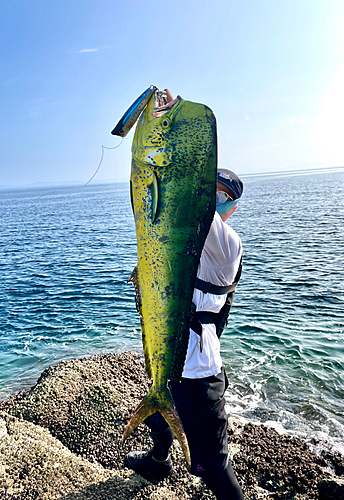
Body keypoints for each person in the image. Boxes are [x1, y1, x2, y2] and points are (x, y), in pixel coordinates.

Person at [124, 167, 244, 500]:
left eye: (220, 195)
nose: (210, 198)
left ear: (231, 207)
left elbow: (192, 209)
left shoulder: (226, 244)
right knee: (157, 413)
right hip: (169, 358)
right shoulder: (180, 237)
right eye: (207, 189)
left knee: (211, 465)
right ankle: (159, 461)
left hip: (198, 375)